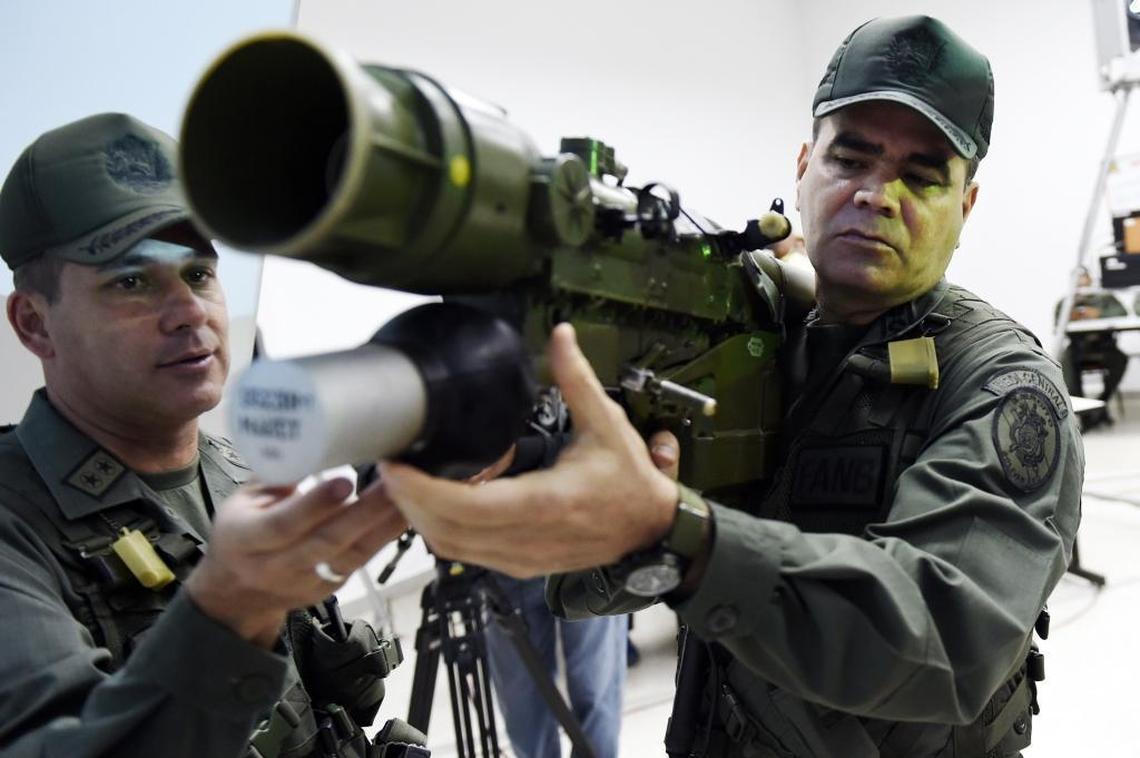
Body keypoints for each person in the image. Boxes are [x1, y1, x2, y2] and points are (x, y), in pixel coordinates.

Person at [376, 15, 1084, 758]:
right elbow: (593, 585)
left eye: (923, 176)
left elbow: (943, 642)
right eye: (851, 158)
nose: (878, 194)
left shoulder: (1000, 384)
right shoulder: (754, 336)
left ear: (965, 206)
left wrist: (677, 534)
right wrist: (537, 467)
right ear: (804, 168)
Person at [0, 114, 418, 757]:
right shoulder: (15, 528)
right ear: (34, 324)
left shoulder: (238, 476)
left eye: (198, 274)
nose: (190, 311)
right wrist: (230, 615)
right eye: (131, 282)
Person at [1054, 267, 1129, 428]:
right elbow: (1057, 327)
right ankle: (1084, 412)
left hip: (1103, 347)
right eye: (1077, 280)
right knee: (1064, 366)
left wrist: (1098, 313)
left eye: (1084, 279)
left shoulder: (1104, 298)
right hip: (1078, 347)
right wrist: (1070, 315)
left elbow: (1122, 313)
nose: (1081, 283)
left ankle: (1100, 403)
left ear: (1090, 279)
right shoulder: (1066, 303)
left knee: (1120, 360)